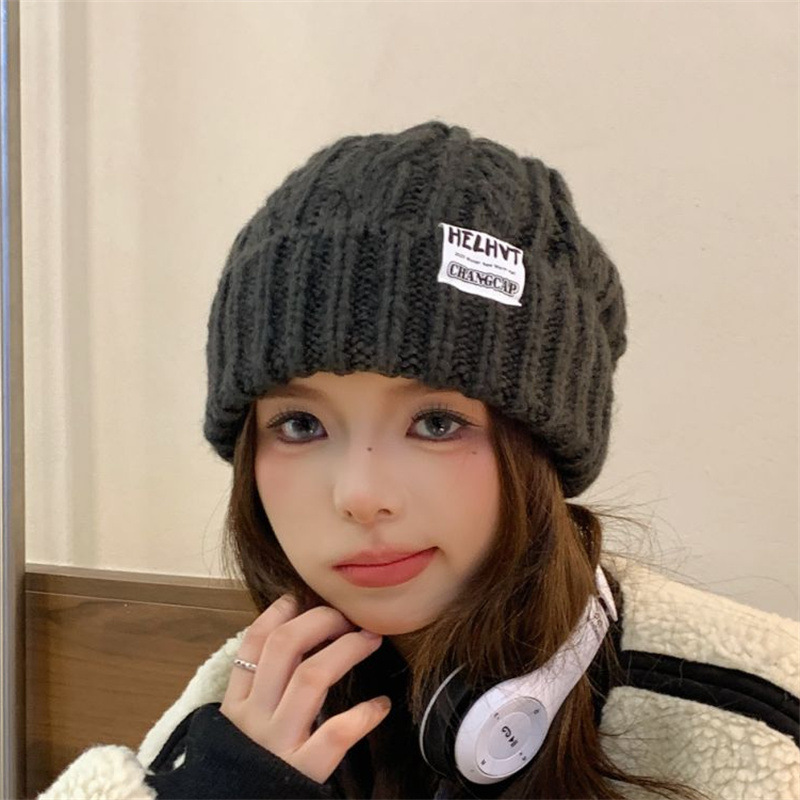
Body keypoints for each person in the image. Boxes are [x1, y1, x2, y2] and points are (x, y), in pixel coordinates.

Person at [38, 120, 799, 800]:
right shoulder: (246, 711)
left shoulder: (756, 714)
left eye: (436, 423)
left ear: (541, 447)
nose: (361, 494)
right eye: (300, 424)